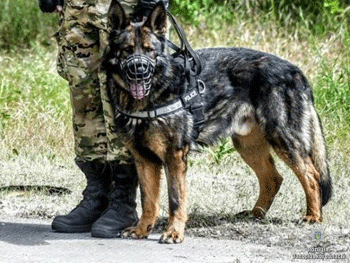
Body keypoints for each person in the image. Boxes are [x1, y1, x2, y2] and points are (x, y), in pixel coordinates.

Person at [39, 0, 169, 238]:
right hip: (77, 8)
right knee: (84, 99)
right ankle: (97, 196)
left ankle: (123, 201)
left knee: (124, 98)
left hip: (126, 6)